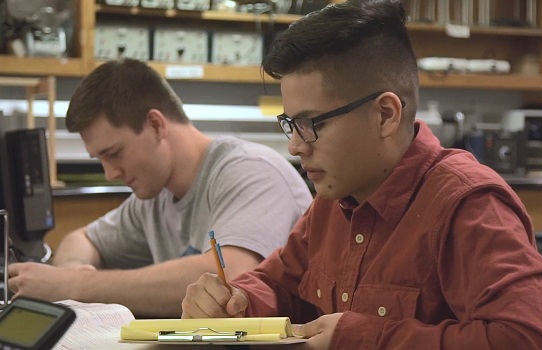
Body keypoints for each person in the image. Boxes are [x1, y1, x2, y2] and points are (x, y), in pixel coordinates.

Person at [181, 1, 542, 349]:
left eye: (311, 123)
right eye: (291, 124)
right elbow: (279, 284)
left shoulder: (466, 206)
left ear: (385, 115)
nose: (296, 146)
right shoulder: (332, 200)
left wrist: (365, 340)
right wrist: (234, 301)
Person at [8, 59, 313, 317]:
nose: (110, 173)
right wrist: (73, 270)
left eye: (114, 154)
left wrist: (74, 287)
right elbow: (83, 238)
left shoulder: (251, 172)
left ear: (155, 125)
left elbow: (231, 277)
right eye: (99, 158)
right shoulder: (154, 198)